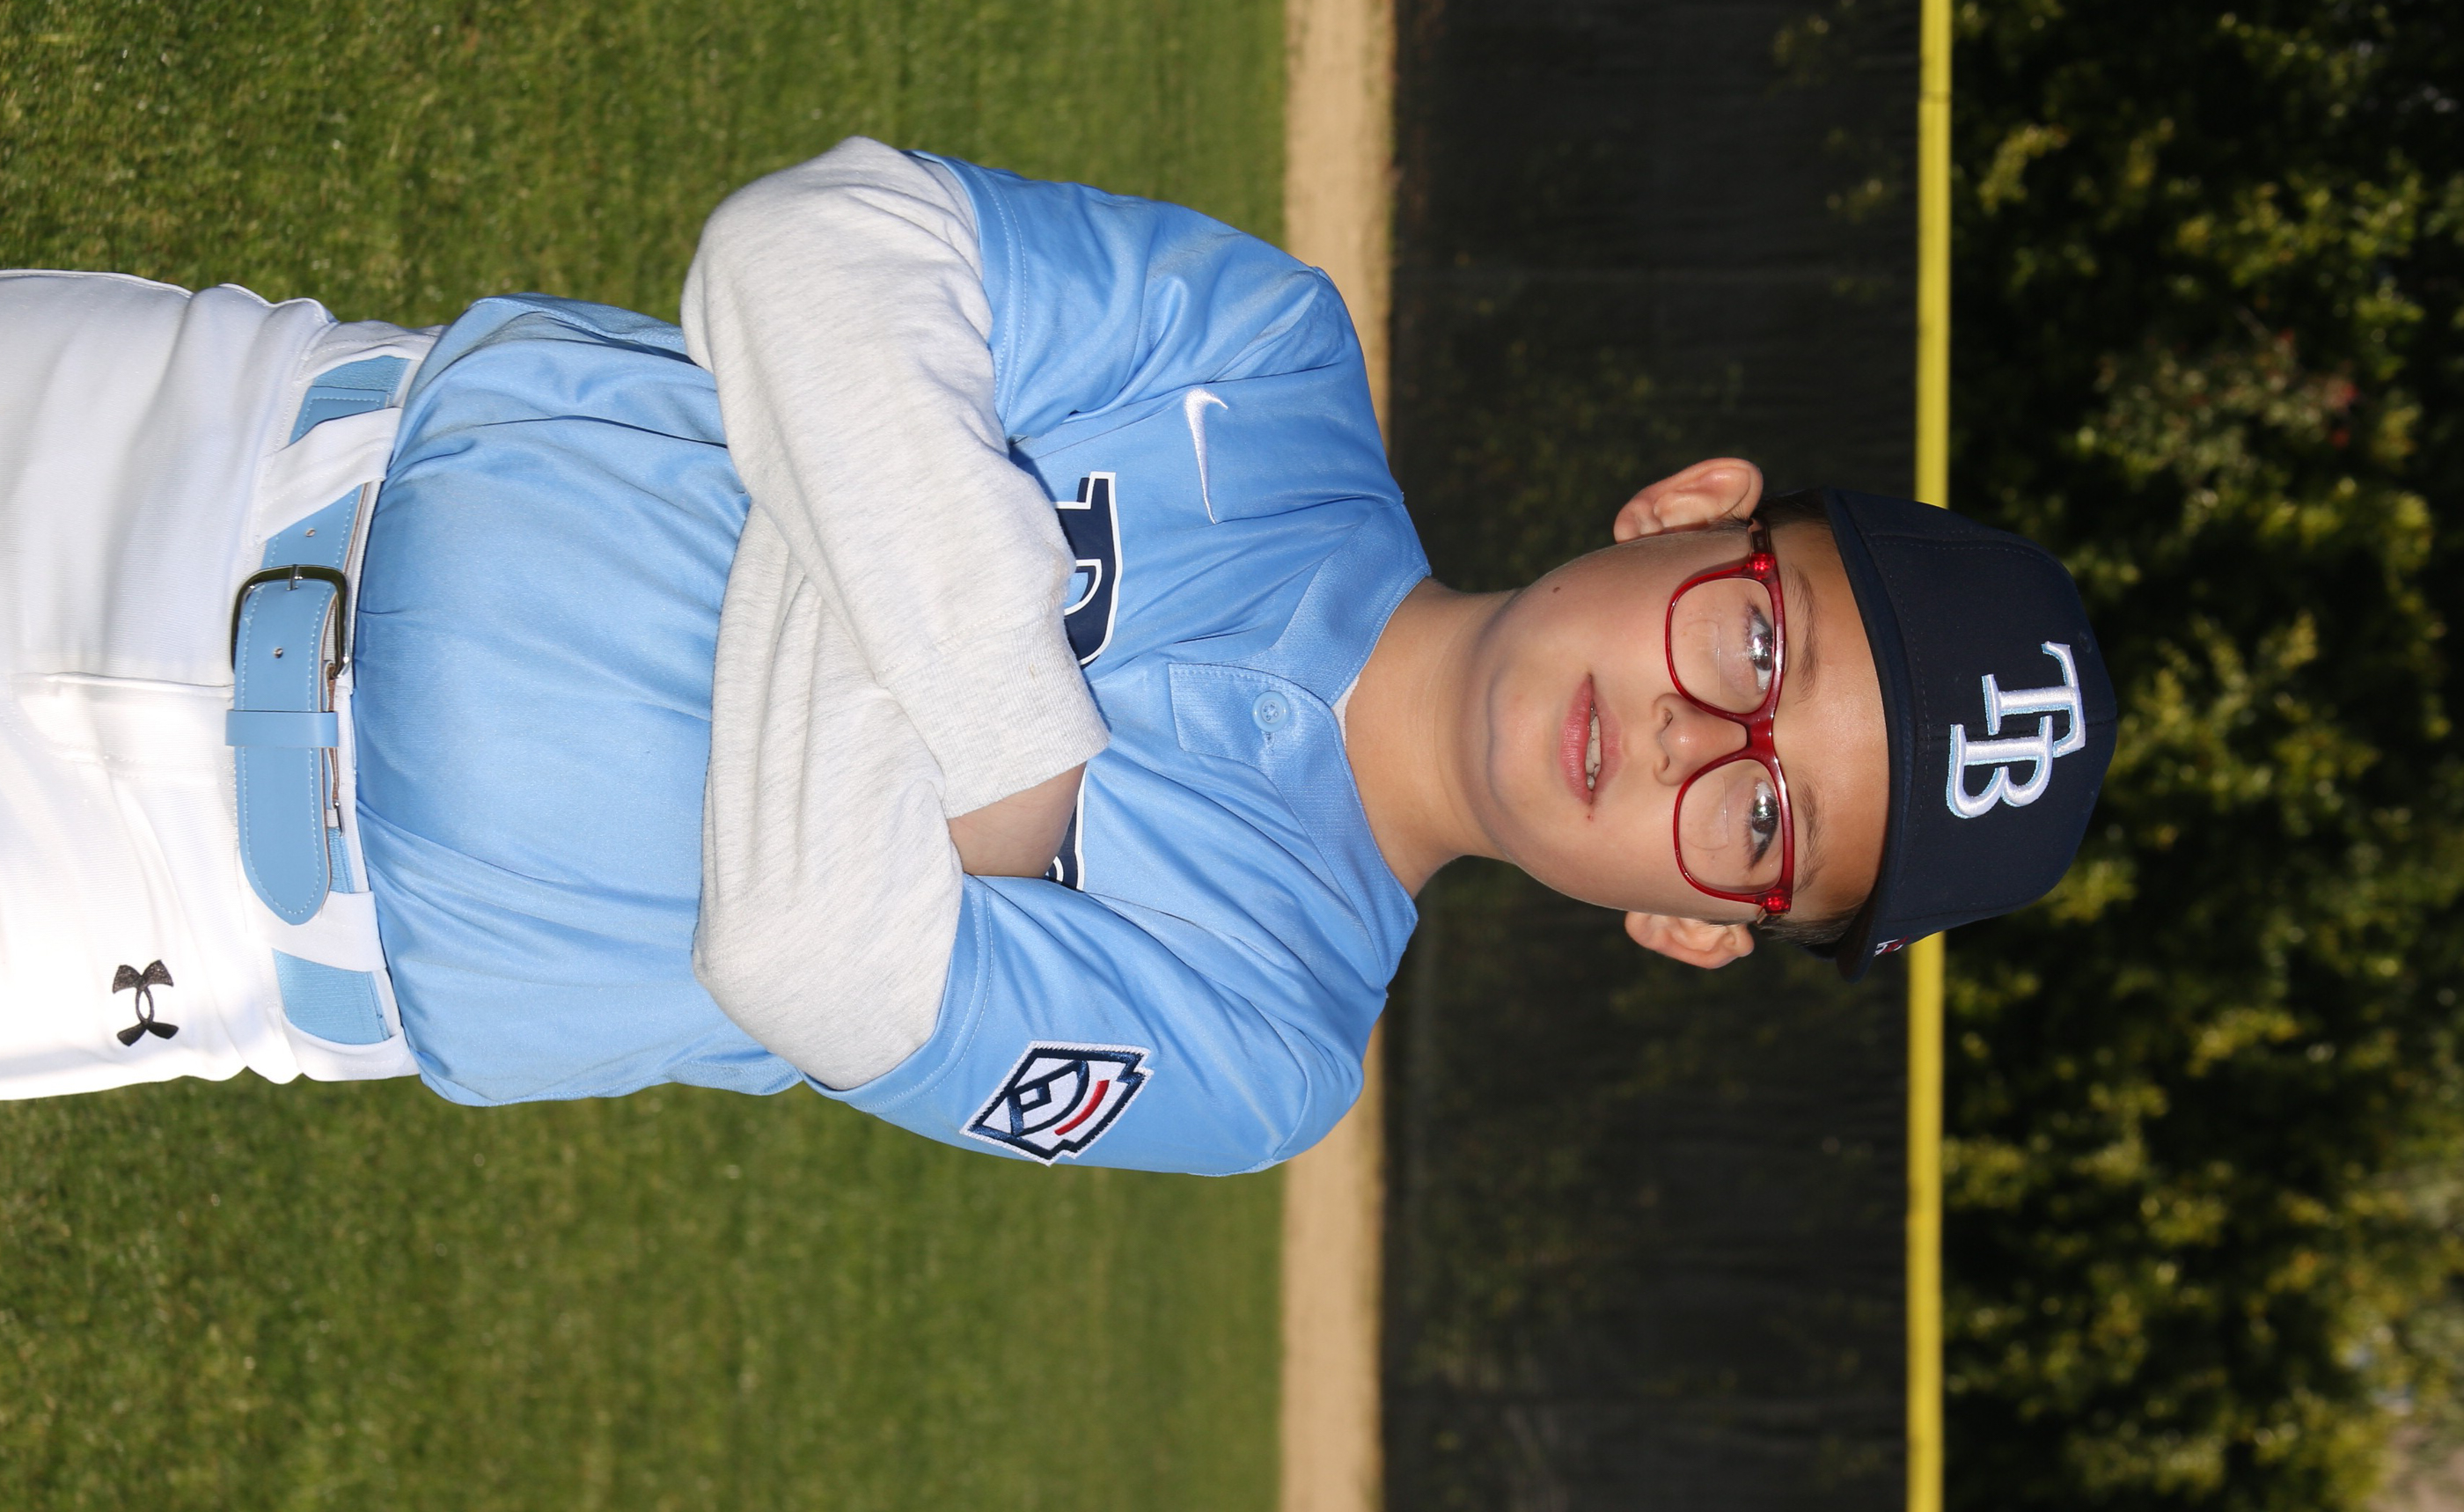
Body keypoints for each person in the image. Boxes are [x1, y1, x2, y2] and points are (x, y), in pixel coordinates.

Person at [0, 139, 2117, 1172]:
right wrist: (993, 748)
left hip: (183, 920)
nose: (1683, 734)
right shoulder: (1264, 356)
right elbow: (796, 253)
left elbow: (817, 959)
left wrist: (905, 468)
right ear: (1686, 507)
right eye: (1753, 640)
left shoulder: (1266, 1036)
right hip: (205, 438)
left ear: (1690, 921)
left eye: (1758, 819)